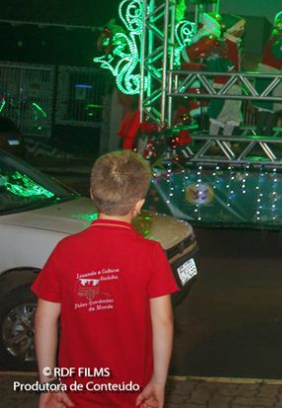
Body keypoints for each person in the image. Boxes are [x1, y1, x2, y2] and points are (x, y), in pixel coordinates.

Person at [33, 151, 178, 408]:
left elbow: (44, 319)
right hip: (133, 393)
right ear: (139, 203)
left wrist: (48, 383)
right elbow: (163, 321)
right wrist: (158, 382)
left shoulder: (65, 249)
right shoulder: (151, 254)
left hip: (75, 394)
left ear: (92, 193)